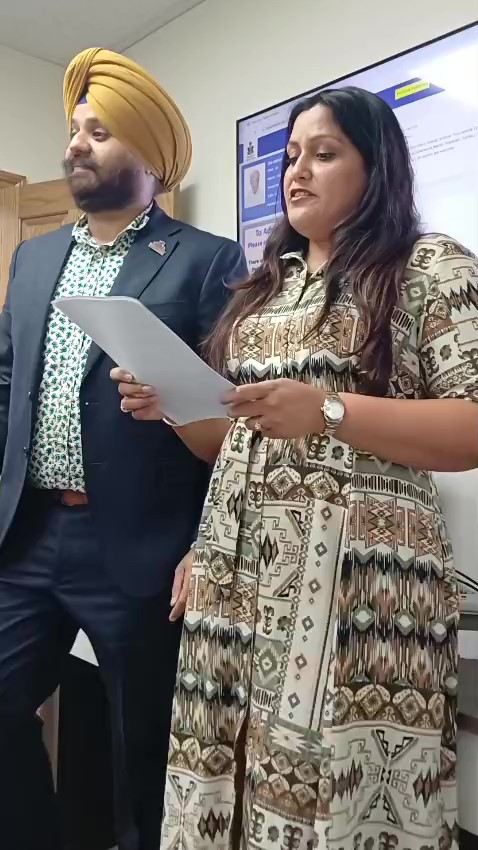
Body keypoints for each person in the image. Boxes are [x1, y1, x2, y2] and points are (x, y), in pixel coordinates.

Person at [116, 87, 478, 850]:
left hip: (358, 591)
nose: (297, 172)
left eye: (324, 153)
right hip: (236, 580)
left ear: (376, 166)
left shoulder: (426, 266)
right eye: (289, 157)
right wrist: (174, 407)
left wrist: (330, 410)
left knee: (337, 796)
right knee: (228, 779)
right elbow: (234, 444)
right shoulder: (264, 289)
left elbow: (471, 427)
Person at [0, 47, 246, 850]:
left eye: (100, 133)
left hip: (141, 545)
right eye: (76, 129)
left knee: (143, 746)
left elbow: (229, 410)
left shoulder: (206, 258)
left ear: (150, 155)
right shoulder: (34, 256)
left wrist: (204, 540)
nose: (76, 144)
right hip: (28, 535)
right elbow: (9, 384)